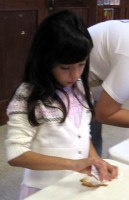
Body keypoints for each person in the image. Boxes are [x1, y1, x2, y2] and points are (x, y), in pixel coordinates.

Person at [5, 10, 118, 200]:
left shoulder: (80, 88)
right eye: (65, 67)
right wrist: (71, 164)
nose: (74, 75)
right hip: (43, 190)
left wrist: (97, 161)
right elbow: (16, 154)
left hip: (75, 184)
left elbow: (82, 134)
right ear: (46, 60)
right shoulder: (27, 96)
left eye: (81, 64)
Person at [88, 20, 129, 155]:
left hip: (96, 79)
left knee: (93, 142)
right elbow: (105, 113)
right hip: (71, 82)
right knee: (80, 143)